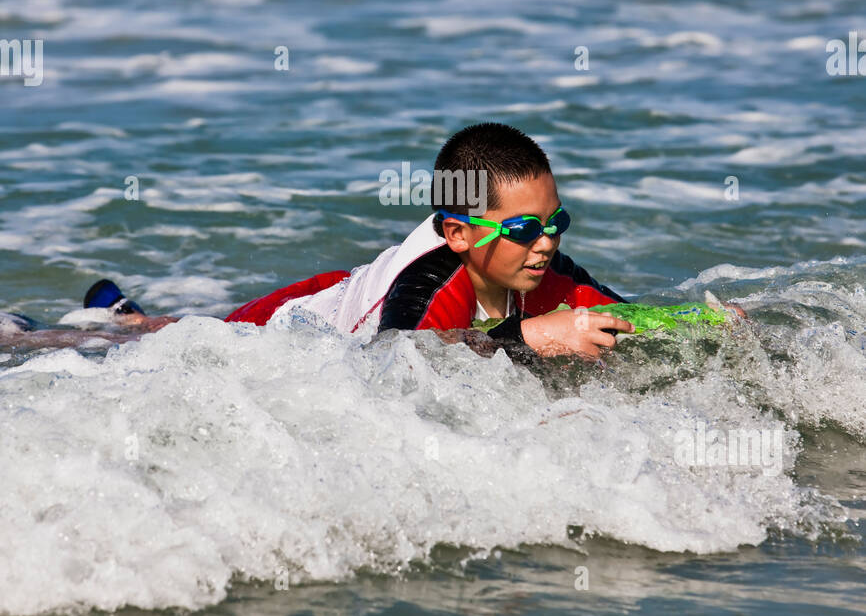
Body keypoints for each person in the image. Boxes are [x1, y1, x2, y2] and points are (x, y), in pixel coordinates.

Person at [1, 124, 634, 361]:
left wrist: (708, 324)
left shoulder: (542, 265)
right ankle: (34, 331)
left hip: (349, 293)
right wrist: (527, 337)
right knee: (174, 336)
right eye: (524, 229)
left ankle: (124, 311)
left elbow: (622, 315)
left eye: (557, 223)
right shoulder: (435, 279)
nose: (546, 242)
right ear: (460, 233)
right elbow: (403, 359)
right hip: (288, 321)